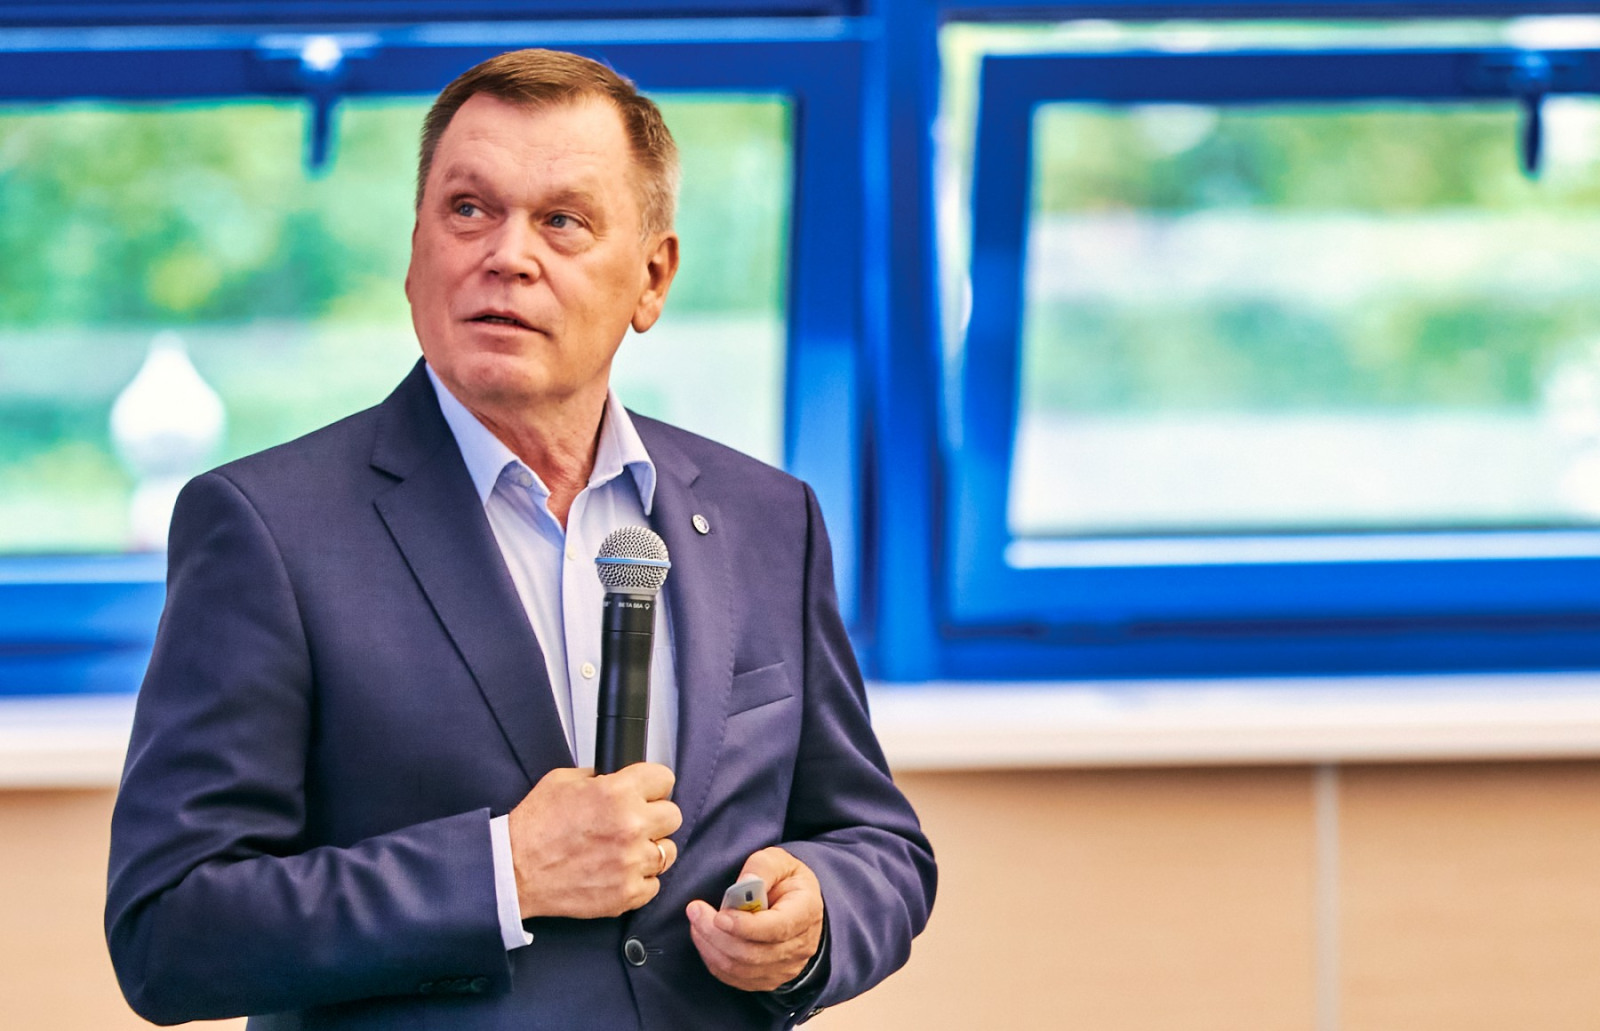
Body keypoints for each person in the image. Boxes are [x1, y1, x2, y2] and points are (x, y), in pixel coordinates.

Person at [105, 48, 934, 1030]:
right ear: (415, 252)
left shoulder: (769, 515)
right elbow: (170, 930)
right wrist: (505, 869)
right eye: (469, 210)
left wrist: (818, 915)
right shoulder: (264, 526)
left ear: (653, 277)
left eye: (562, 221)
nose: (507, 254)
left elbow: (876, 842)